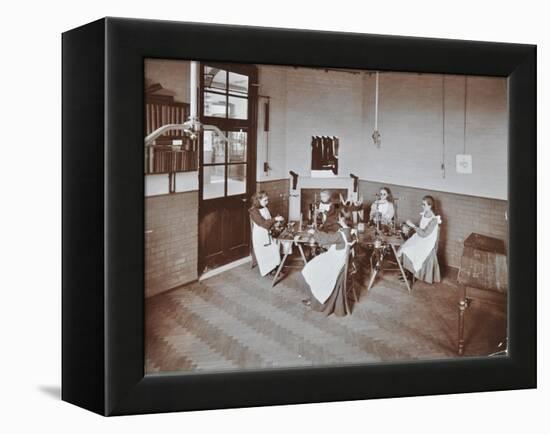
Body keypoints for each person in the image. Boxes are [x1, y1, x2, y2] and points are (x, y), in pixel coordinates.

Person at [301, 209, 356, 317]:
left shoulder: (341, 234)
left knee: (309, 268)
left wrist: (314, 232)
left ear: (342, 219)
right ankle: (314, 298)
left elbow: (326, 239)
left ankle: (316, 300)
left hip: (335, 262)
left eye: (339, 217)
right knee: (315, 264)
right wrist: (318, 233)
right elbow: (332, 240)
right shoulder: (349, 231)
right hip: (341, 261)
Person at [397, 195, 442, 284]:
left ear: (430, 206)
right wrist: (409, 227)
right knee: (404, 247)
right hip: (419, 237)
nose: (422, 206)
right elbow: (421, 229)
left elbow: (424, 234)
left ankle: (411, 275)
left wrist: (412, 225)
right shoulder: (425, 213)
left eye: (424, 204)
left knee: (409, 250)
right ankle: (408, 273)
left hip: (427, 241)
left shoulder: (434, 219)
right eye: (422, 204)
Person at [249, 191, 282, 277]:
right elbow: (264, 224)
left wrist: (276, 223)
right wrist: (275, 219)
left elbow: (269, 220)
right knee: (265, 253)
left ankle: (273, 268)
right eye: (265, 200)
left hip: (267, 233)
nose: (267, 202)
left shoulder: (265, 208)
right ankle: (268, 270)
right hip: (260, 236)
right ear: (258, 200)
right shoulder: (253, 211)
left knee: (274, 249)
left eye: (267, 200)